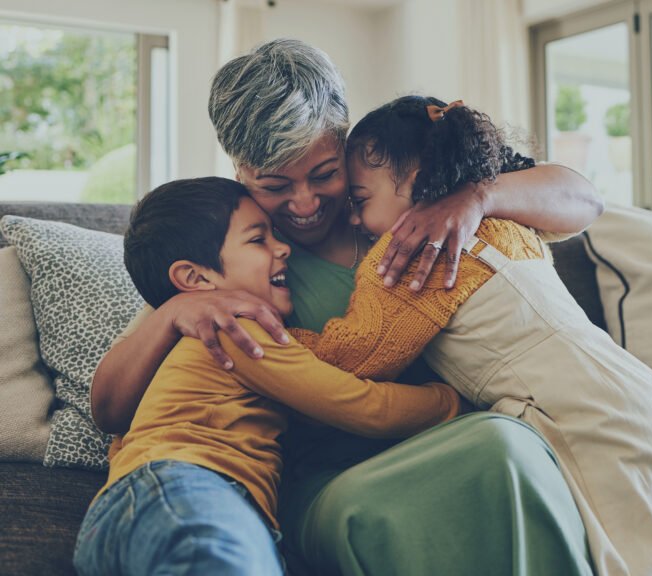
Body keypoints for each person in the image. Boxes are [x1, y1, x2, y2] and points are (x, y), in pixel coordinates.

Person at [91, 39, 604, 575]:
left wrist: (477, 197)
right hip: (334, 480)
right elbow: (109, 409)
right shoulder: (235, 258)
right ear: (240, 173)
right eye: (274, 185)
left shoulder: (406, 197)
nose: (306, 204)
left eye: (324, 174)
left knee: (513, 447)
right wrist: (172, 313)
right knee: (499, 446)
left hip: (451, 435)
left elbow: (584, 200)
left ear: (345, 144)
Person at [288, 95, 652, 575]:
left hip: (575, 412)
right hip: (651, 397)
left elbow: (354, 356)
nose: (356, 219)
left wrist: (264, 336)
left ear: (419, 181)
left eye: (361, 201)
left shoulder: (416, 256)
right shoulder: (509, 223)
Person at [74, 177, 461, 576]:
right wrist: (453, 401)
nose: (283, 247)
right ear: (195, 279)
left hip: (139, 513)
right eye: (258, 240)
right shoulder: (233, 329)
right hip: (182, 490)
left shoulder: (191, 334)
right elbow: (364, 406)